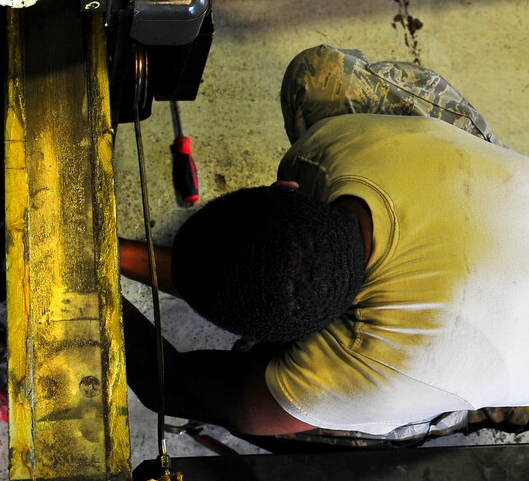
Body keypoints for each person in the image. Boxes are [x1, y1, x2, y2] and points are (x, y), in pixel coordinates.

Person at [121, 44, 529, 440]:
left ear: (286, 186)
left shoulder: (369, 369)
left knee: (284, 426)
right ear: (287, 189)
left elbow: (172, 388)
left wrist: (84, 287)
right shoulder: (344, 148)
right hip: (485, 197)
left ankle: (475, 412)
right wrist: (113, 254)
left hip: (496, 341)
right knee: (319, 77)